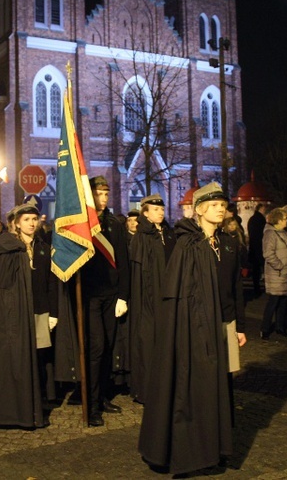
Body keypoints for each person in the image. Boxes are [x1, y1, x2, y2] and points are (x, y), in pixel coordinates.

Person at [139, 182, 246, 475]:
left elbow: (234, 286)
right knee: (193, 385)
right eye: (214, 205)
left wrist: (238, 325)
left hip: (222, 323)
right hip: (194, 327)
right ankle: (191, 452)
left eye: (223, 204)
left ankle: (218, 446)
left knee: (220, 385)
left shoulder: (228, 243)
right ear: (199, 210)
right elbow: (179, 293)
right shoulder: (187, 244)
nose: (220, 209)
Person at [0, 203, 58, 427]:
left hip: (39, 309)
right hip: (16, 315)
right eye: (26, 219)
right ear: (16, 222)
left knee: (39, 358)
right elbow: (3, 286)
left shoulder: (43, 246)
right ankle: (19, 407)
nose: (32, 223)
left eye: (34, 219)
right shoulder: (8, 248)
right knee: (18, 358)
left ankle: (38, 401)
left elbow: (50, 282)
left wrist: (53, 312)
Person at [79, 176, 130, 427]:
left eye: (106, 194)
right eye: (99, 194)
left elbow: (123, 260)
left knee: (109, 345)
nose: (104, 198)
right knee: (96, 348)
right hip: (90, 295)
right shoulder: (83, 224)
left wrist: (123, 295)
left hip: (111, 294)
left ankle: (103, 397)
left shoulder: (114, 223)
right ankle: (92, 402)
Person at [128, 194, 175, 404]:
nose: (161, 212)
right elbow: (140, 273)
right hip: (148, 297)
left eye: (162, 209)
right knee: (148, 340)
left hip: (166, 294)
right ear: (145, 213)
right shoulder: (143, 236)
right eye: (156, 210)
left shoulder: (167, 233)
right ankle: (146, 389)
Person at [260, 208, 287, 340]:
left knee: (283, 302)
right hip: (277, 273)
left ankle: (280, 327)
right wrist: (279, 265)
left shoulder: (284, 233)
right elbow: (268, 253)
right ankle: (265, 329)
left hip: (284, 273)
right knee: (273, 302)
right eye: (285, 218)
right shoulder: (270, 234)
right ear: (278, 220)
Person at [247, 203, 267, 297]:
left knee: (256, 269)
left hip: (253, 247)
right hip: (260, 246)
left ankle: (256, 288)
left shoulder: (252, 219)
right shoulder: (260, 219)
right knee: (263, 267)